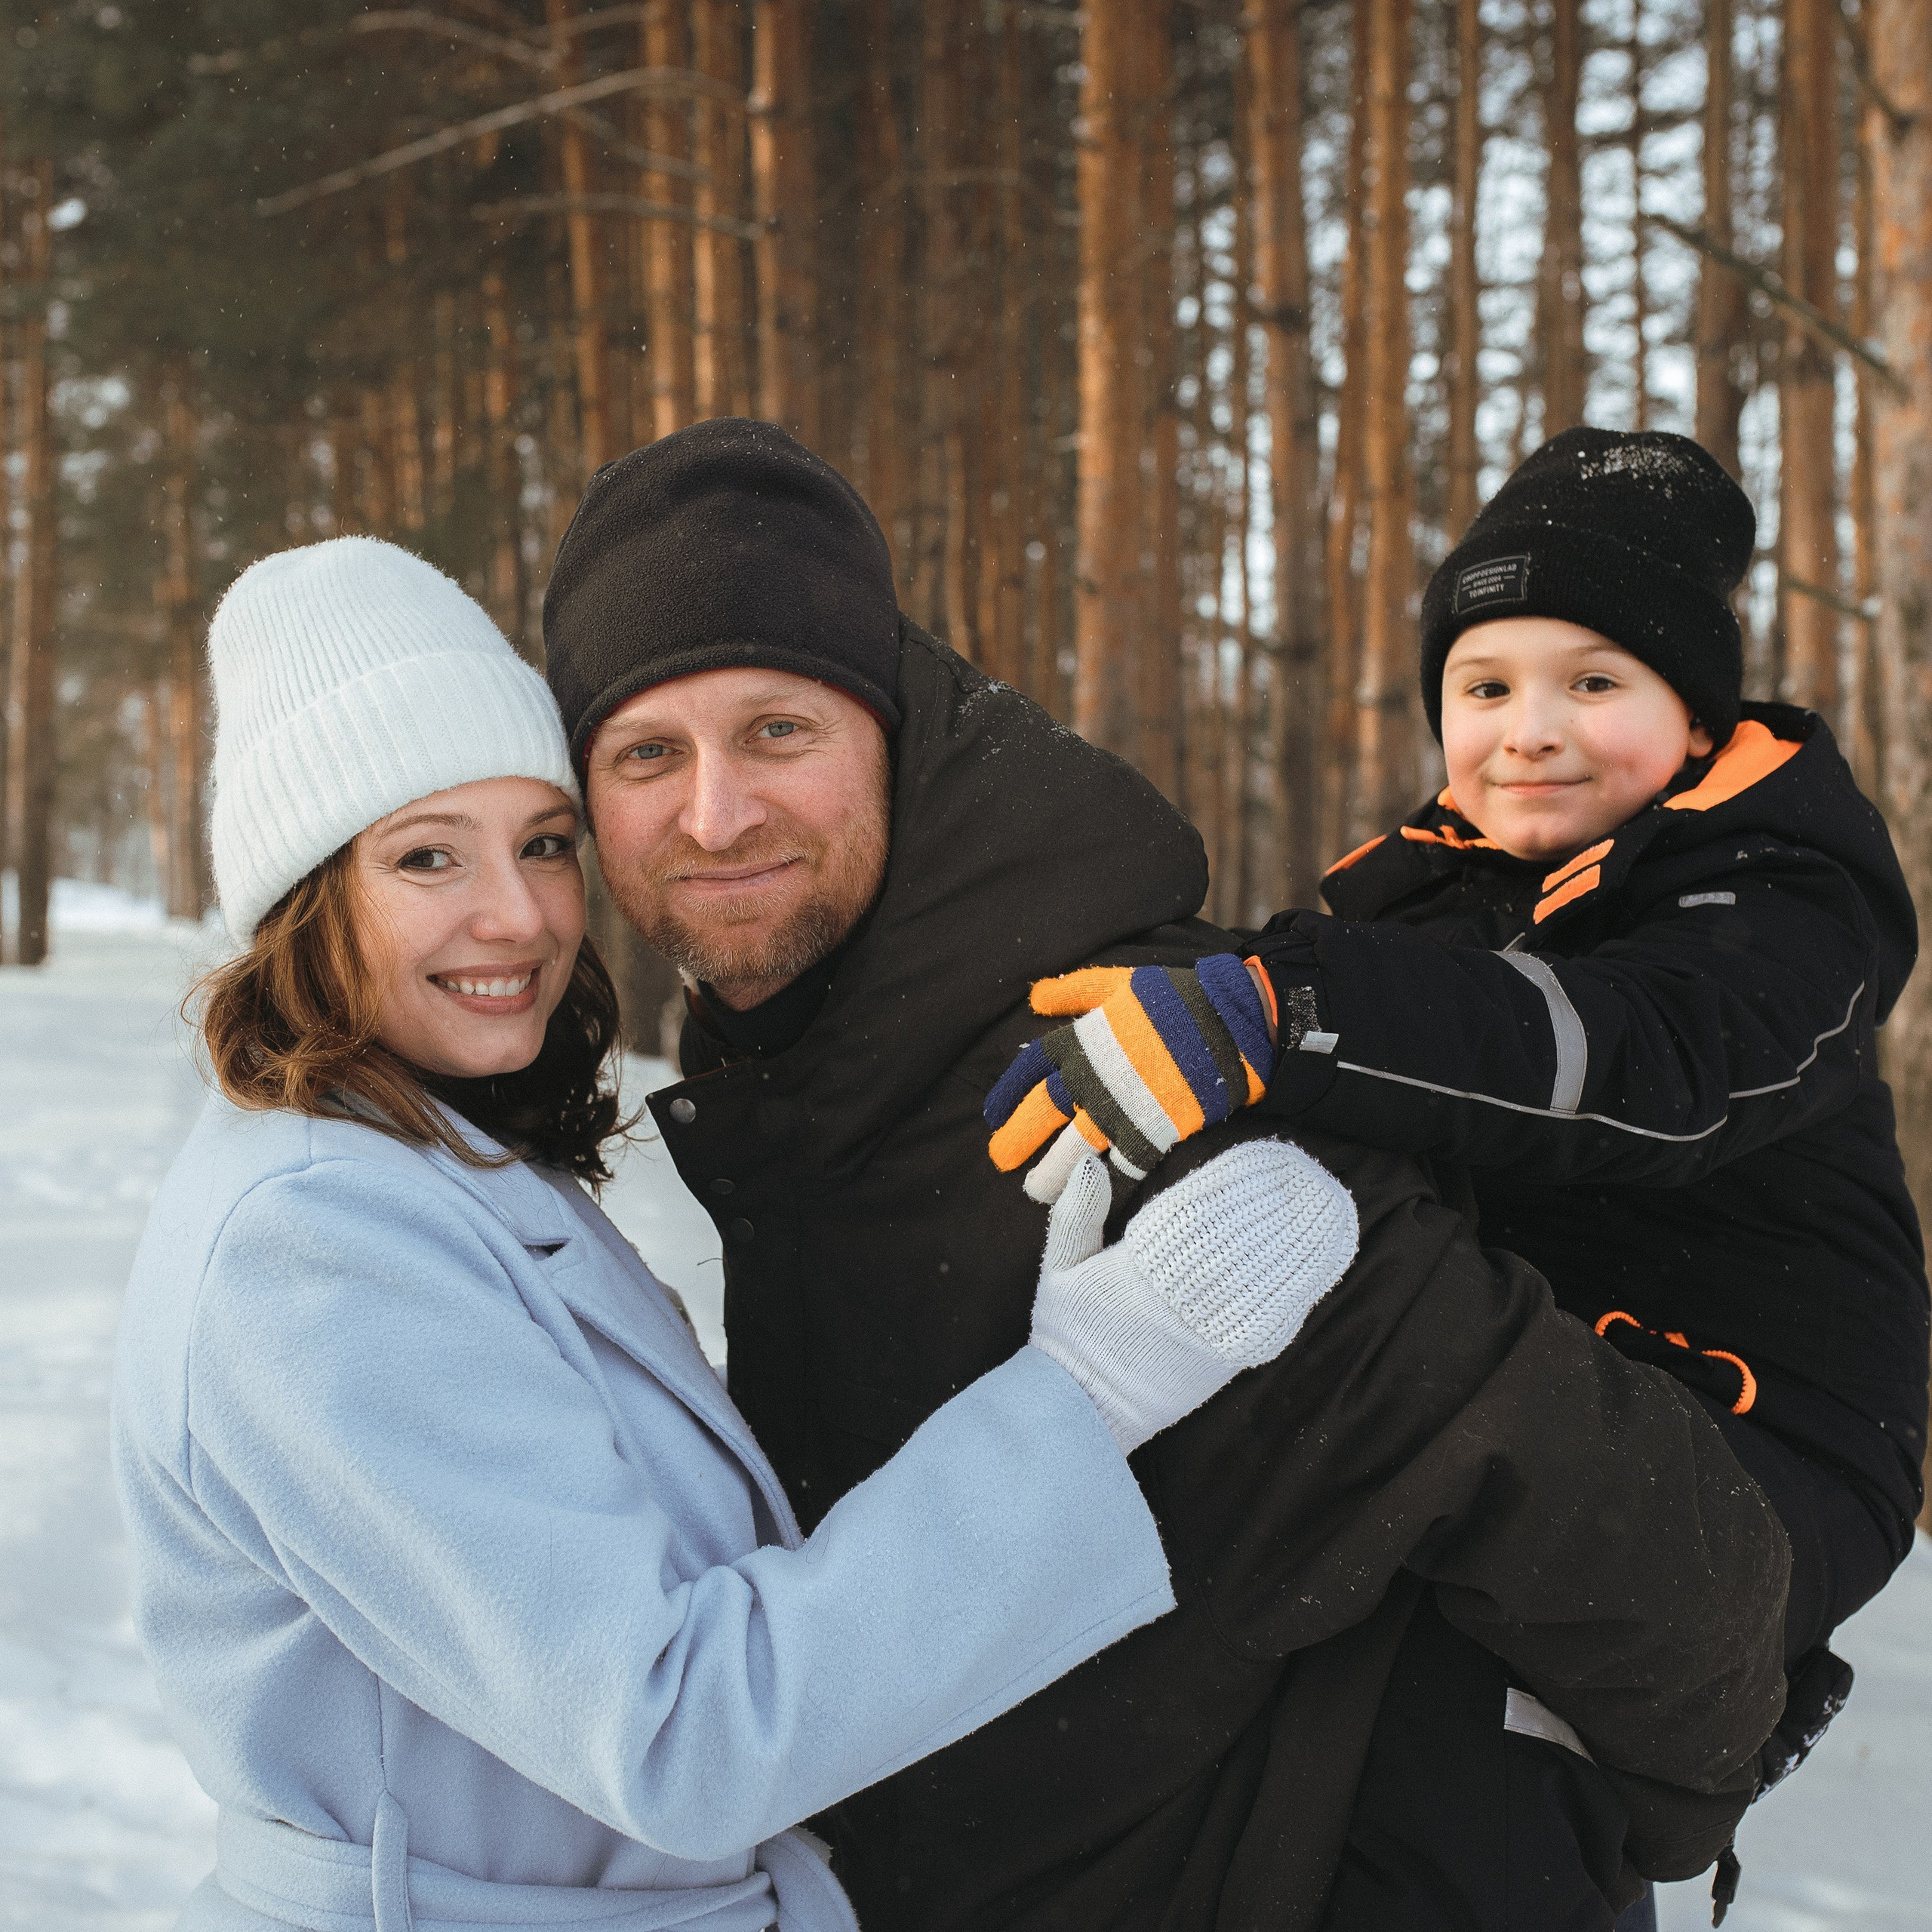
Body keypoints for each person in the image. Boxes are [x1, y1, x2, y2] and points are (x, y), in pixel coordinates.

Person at [540, 417, 1792, 1932]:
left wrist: (1586, 1816)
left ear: (893, 725)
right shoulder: (810, 1068)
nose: (714, 811)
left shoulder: (1120, 1062)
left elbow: (1657, 1553)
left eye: (777, 731)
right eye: (645, 753)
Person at [111, 536, 1373, 1932]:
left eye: (542, 843)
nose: (520, 914)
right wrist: (1094, 1385)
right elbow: (678, 1733)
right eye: (427, 856)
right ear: (304, 900)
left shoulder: (431, 1161)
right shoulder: (316, 1253)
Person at [989, 427, 1930, 1922]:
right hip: (1530, 1395)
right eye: (1483, 687)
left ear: (1693, 714)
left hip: (1762, 1433)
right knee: (1327, 1714)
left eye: (1592, 681)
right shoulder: (1424, 892)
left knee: (1475, 1765)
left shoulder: (1773, 893)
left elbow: (1632, 1062)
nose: (1529, 729)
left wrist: (1281, 1014)